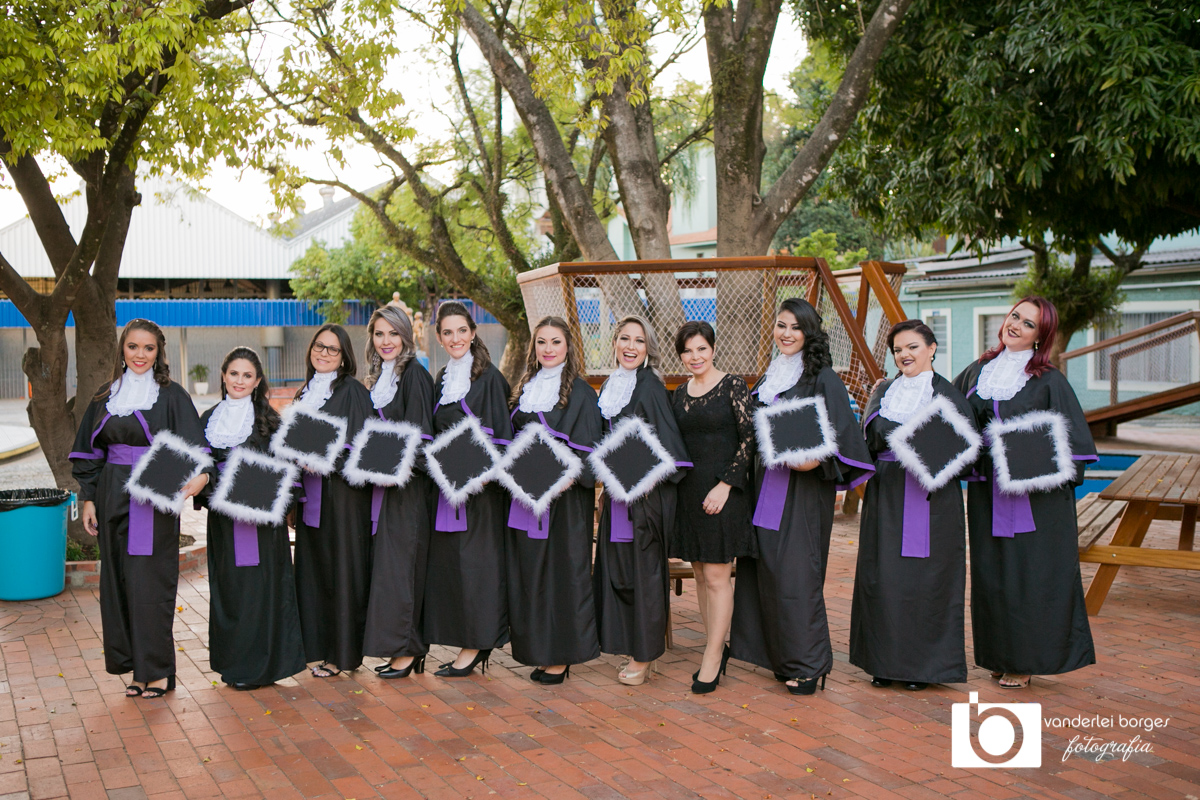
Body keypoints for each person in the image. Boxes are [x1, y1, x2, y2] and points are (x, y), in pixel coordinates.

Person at [730, 298, 874, 695]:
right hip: (765, 486)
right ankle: (782, 657)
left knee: (796, 573)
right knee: (765, 569)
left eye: (795, 327)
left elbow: (845, 437)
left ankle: (809, 664)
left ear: (810, 331)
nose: (787, 333)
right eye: (781, 325)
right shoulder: (771, 374)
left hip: (802, 491)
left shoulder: (823, 377)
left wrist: (815, 460)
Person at [953, 296, 1096, 689]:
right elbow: (948, 408)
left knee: (1029, 575)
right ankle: (1000, 655)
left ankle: (1026, 659)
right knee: (992, 573)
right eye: (1015, 316)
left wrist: (1025, 457)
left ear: (1040, 336)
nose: (1015, 325)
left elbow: (1074, 444)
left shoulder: (1049, 380)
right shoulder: (979, 370)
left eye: (1028, 323)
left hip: (1036, 499)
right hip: (988, 492)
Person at [71, 319, 212, 699]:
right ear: (122, 349)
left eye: (148, 348)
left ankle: (158, 672)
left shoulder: (172, 395)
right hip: (111, 493)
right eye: (133, 346)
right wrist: (89, 498)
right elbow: (89, 453)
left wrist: (197, 478)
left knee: (149, 582)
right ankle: (135, 668)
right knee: (118, 582)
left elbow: (197, 448)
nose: (140, 354)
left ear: (158, 352)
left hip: (152, 492)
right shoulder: (105, 395)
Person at [850, 320, 972, 691]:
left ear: (932, 348)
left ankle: (921, 667)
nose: (904, 355)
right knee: (884, 575)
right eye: (898, 349)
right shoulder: (884, 391)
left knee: (926, 579)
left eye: (913, 347)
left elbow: (968, 452)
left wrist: (928, 456)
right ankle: (883, 662)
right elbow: (868, 441)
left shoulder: (949, 395)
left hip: (932, 500)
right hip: (886, 495)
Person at [198, 347, 306, 690]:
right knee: (229, 589)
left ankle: (260, 667)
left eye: (247, 375)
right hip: (223, 521)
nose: (239, 381)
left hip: (260, 524)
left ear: (258, 381)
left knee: (259, 591)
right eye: (234, 374)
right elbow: (198, 466)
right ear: (223, 376)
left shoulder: (271, 421)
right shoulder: (207, 420)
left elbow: (290, 474)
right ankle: (234, 664)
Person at [593, 315, 691, 686]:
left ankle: (645, 655)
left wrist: (644, 481)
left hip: (646, 498)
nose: (630, 346)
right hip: (617, 495)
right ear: (615, 343)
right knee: (620, 571)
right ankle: (630, 642)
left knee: (645, 575)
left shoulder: (649, 385)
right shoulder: (610, 385)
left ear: (648, 347)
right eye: (624, 338)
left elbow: (669, 444)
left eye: (638, 340)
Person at [506, 316, 603, 684]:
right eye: (541, 342)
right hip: (526, 497)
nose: (548, 349)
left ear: (568, 347)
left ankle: (562, 656)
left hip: (564, 503)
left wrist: (563, 478)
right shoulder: (524, 387)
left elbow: (591, 451)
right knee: (531, 574)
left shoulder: (581, 393)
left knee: (562, 575)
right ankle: (540, 650)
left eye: (556, 342)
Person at [425, 301, 513, 677]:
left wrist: (478, 472)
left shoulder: (489, 378)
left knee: (478, 569)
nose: (455, 338)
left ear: (473, 333)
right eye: (447, 332)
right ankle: (468, 640)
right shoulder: (441, 378)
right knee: (455, 570)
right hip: (448, 491)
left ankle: (476, 644)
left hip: (480, 496)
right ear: (439, 338)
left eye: (462, 330)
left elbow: (503, 437)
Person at [669, 321, 756, 694]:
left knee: (719, 577)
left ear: (713, 348)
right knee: (701, 575)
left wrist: (725, 485)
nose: (695, 357)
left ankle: (713, 656)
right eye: (688, 351)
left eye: (701, 349)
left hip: (723, 492)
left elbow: (749, 438)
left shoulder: (733, 386)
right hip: (689, 494)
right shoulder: (678, 394)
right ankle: (714, 643)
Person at [292, 324, 374, 678]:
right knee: (314, 572)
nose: (323, 353)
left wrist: (326, 460)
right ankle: (316, 648)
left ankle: (342, 655)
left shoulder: (352, 391)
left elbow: (364, 446)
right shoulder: (304, 392)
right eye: (319, 346)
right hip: (310, 495)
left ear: (344, 358)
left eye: (332, 349)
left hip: (343, 498)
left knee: (342, 574)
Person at [360, 306, 436, 679]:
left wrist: (391, 467)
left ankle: (408, 650)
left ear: (406, 336)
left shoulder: (414, 376)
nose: (386, 341)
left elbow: (421, 434)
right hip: (382, 487)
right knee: (389, 571)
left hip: (408, 490)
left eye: (393, 333)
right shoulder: (378, 377)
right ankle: (402, 647)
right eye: (379, 334)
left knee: (403, 570)